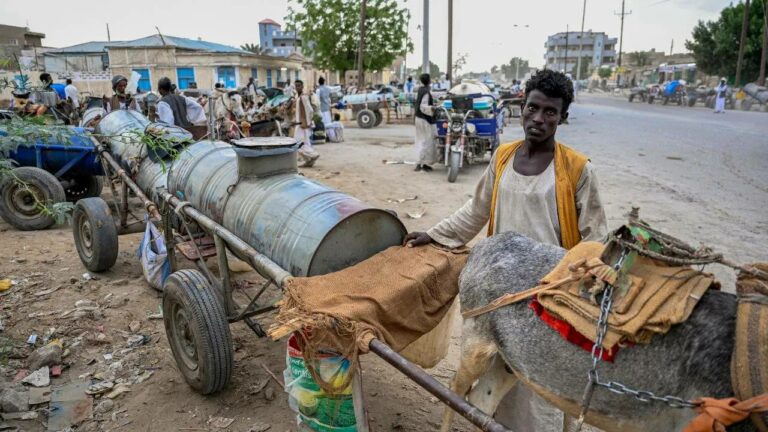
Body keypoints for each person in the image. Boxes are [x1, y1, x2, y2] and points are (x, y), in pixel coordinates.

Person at [405, 69, 607, 432]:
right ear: (521, 108)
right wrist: (434, 235)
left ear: (563, 117)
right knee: (495, 378)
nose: (539, 119)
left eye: (550, 112)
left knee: (540, 391)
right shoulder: (502, 158)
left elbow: (595, 239)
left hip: (548, 296)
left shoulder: (578, 170)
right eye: (532, 108)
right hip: (501, 290)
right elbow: (475, 211)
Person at [292, 79, 320, 167]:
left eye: (299, 86)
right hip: (299, 123)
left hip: (302, 124)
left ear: (302, 87)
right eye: (296, 86)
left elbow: (310, 110)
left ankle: (313, 154)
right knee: (304, 143)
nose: (297, 87)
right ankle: (308, 161)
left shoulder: (303, 97)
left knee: (298, 143)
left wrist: (307, 122)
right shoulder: (298, 97)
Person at [414, 73, 437, 172]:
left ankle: (422, 163)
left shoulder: (420, 89)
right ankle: (421, 163)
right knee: (427, 142)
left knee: (421, 141)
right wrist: (433, 109)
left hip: (418, 118)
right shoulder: (426, 92)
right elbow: (423, 107)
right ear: (429, 80)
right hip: (424, 119)